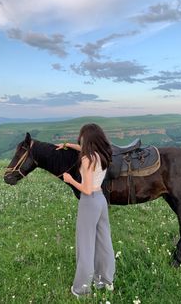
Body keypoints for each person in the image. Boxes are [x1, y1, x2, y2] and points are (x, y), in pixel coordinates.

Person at [55, 123, 115, 298]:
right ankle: (105, 281)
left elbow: (86, 189)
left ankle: (81, 289)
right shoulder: (101, 153)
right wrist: (66, 145)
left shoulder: (87, 159)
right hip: (101, 200)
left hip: (89, 201)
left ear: (87, 138)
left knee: (85, 245)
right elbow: (81, 148)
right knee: (104, 242)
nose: (79, 138)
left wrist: (69, 179)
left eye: (81, 135)